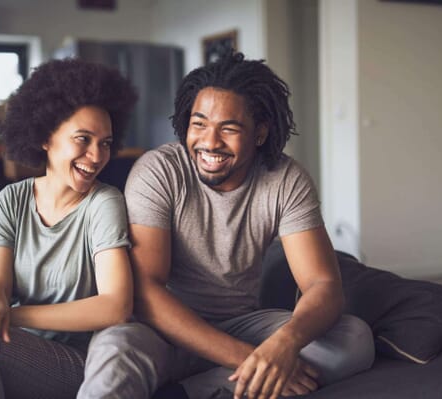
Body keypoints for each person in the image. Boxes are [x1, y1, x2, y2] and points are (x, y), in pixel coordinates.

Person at [78, 51, 375, 399]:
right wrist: (251, 359)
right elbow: (145, 292)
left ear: (260, 133)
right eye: (199, 123)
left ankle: (187, 392)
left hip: (240, 324)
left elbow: (322, 282)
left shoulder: (286, 179)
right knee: (113, 348)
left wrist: (284, 344)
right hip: (159, 331)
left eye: (229, 128)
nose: (209, 142)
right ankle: (249, 378)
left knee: (353, 339)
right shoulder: (158, 170)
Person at [0, 58, 137, 399]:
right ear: (46, 138)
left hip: (74, 360)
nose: (96, 155)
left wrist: (8, 314)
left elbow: (116, 306)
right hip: (12, 341)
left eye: (105, 142)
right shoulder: (11, 199)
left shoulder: (104, 203)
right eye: (83, 139)